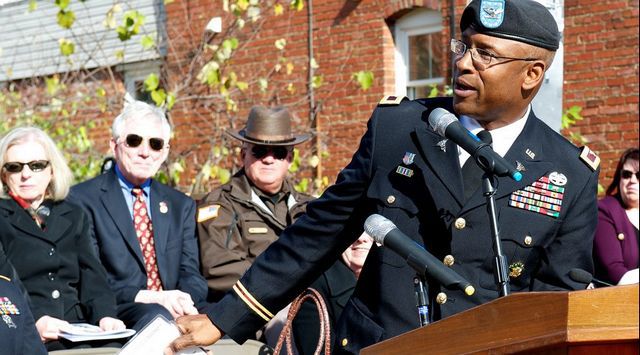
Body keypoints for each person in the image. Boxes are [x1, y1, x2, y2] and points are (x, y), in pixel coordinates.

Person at [167, 1, 600, 354]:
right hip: (378, 345)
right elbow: (320, 232)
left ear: (531, 75)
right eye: (463, 46)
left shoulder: (568, 173)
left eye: (485, 54)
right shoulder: (401, 129)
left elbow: (557, 302)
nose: (463, 64)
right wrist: (225, 317)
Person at [69, 100, 208, 331]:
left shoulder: (179, 205)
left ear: (164, 152)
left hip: (175, 306)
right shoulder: (83, 200)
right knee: (157, 316)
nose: (145, 152)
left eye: (155, 144)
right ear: (114, 146)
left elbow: (191, 272)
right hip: (120, 307)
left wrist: (183, 300)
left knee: (227, 319)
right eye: (134, 141)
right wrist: (155, 298)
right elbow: (90, 276)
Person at [0, 127, 125, 351]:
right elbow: (6, 286)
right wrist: (36, 320)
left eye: (36, 165)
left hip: (76, 326)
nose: (26, 174)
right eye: (15, 167)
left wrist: (105, 315)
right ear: (3, 174)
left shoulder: (73, 215)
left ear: (52, 171)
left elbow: (92, 276)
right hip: (26, 329)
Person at [197, 105, 313, 302]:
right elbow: (219, 267)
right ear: (243, 156)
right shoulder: (220, 204)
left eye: (278, 153)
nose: (268, 159)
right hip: (255, 309)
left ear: (290, 159)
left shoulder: (310, 207)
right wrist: (284, 285)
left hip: (310, 301)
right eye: (258, 151)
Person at [290, 233, 373, 355]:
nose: (361, 239)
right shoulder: (314, 289)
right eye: (357, 229)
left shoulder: (397, 280)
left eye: (370, 231)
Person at [594, 148, 639, 285]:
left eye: (639, 175)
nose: (632, 180)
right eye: (626, 174)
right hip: (617, 300)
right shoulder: (605, 210)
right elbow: (615, 274)